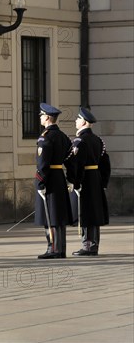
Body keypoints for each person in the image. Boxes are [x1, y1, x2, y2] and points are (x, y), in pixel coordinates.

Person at [67, 107, 111, 256]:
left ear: (84, 122)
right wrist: (103, 183)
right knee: (94, 212)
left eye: (78, 119)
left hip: (85, 180)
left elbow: (77, 164)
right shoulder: (98, 140)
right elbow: (106, 164)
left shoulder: (80, 140)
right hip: (96, 179)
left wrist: (75, 183)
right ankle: (93, 244)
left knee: (85, 212)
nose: (76, 121)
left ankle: (88, 245)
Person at [35, 103, 73, 259]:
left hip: (49, 178)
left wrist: (40, 182)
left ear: (48, 117)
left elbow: (42, 164)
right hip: (59, 176)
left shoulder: (45, 137)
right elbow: (71, 159)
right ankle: (61, 248)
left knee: (50, 215)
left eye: (42, 115)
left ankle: (53, 249)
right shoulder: (64, 137)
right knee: (58, 215)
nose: (40, 117)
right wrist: (71, 178)